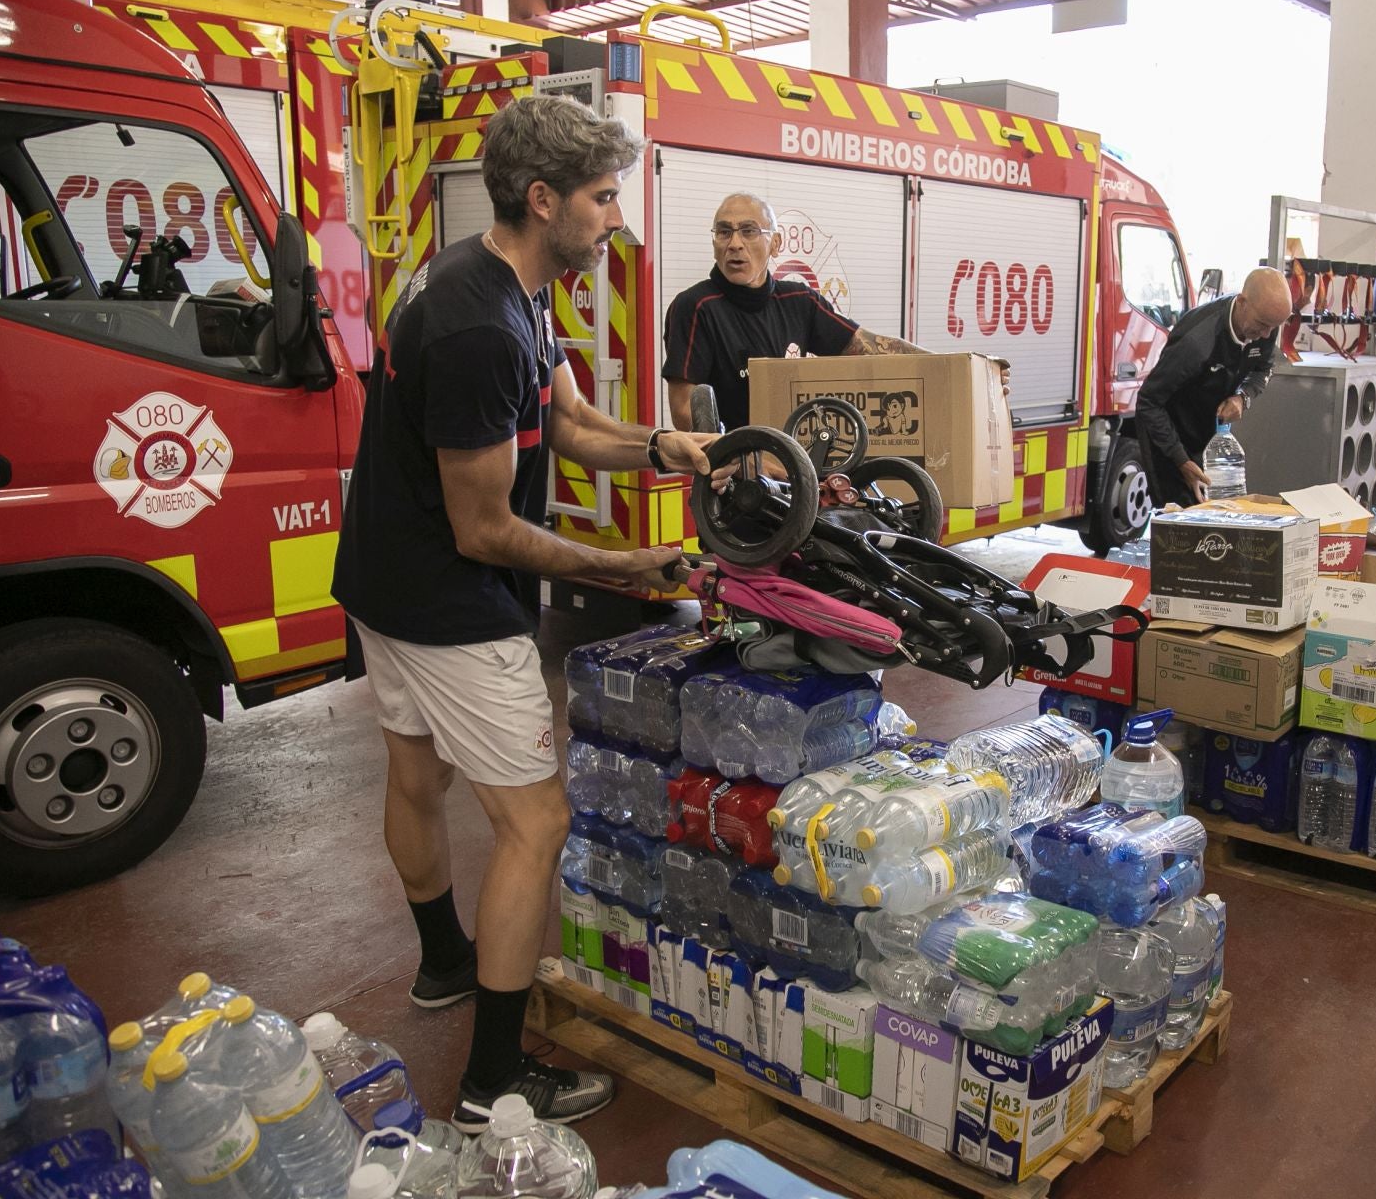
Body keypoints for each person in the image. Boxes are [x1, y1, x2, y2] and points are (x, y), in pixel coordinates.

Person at [331, 96, 716, 1132]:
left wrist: (659, 446)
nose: (616, 218)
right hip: (446, 601)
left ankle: (446, 962)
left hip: (381, 575)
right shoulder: (477, 328)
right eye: (601, 199)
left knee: (414, 771)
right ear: (543, 199)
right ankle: (494, 1080)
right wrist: (626, 566)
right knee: (534, 820)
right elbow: (486, 528)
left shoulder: (508, 282)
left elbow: (576, 421)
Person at [662, 193, 931, 432]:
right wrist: (739, 457)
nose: (734, 243)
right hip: (730, 475)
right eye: (724, 232)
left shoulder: (799, 300)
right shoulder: (695, 307)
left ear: (775, 243)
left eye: (748, 231)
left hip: (797, 466)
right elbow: (684, 411)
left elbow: (868, 347)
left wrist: (948, 367)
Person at [1135, 267, 1293, 505]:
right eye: (1262, 324)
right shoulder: (1197, 342)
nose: (1266, 334)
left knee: (1217, 515)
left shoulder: (1266, 325)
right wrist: (1180, 460)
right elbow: (1148, 401)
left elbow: (1263, 369)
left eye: (1274, 327)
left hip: (1210, 437)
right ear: (1242, 302)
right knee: (1180, 523)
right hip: (1167, 436)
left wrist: (1242, 397)